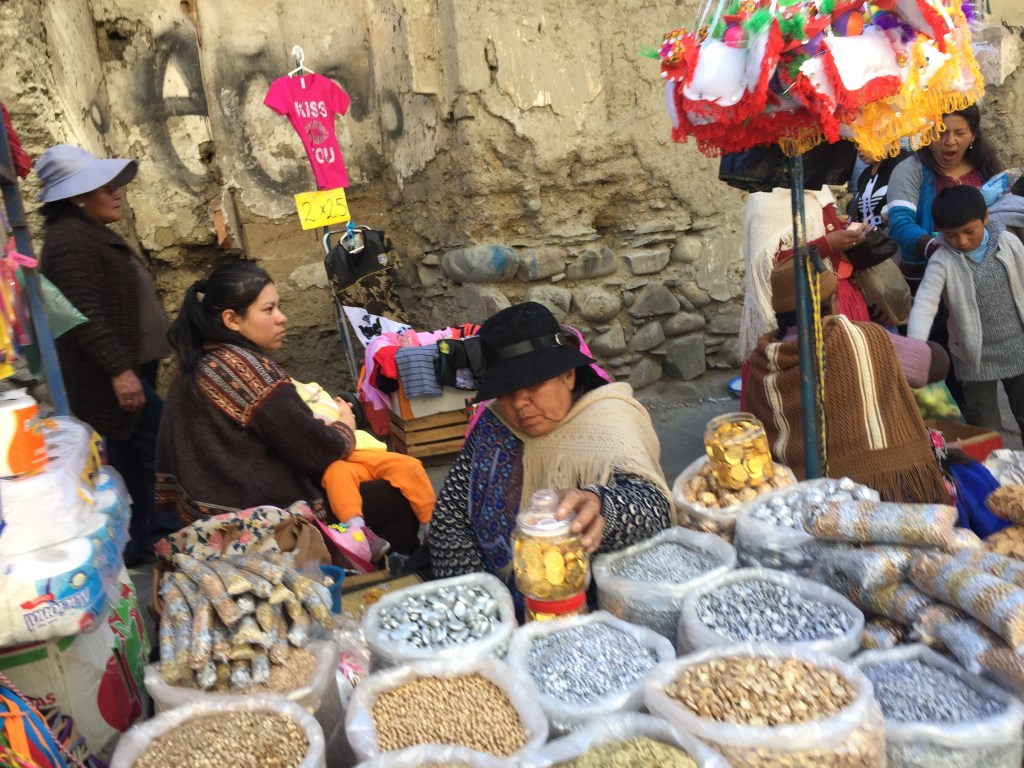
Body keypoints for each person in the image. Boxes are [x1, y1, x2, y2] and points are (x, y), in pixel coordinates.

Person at [155, 260, 422, 553]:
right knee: (395, 497)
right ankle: (387, 580)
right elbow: (317, 451)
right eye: (268, 310)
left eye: (278, 307)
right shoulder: (252, 371)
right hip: (260, 522)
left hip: (205, 518)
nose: (281, 318)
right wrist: (345, 425)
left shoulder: (192, 369)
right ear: (232, 319)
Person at [429, 302, 673, 603]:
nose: (519, 404)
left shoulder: (610, 421)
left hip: (590, 611)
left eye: (533, 385)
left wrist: (602, 505)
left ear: (568, 376)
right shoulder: (494, 424)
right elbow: (449, 518)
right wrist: (482, 602)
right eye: (506, 391)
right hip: (492, 603)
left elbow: (653, 507)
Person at [36, 144, 176, 566]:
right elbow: (84, 316)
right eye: (104, 186)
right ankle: (148, 537)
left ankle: (139, 538)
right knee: (156, 441)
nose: (116, 192)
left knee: (132, 454)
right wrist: (118, 370)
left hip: (126, 368)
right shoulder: (71, 243)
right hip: (109, 375)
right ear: (77, 197)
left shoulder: (85, 233)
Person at [746, 260, 951, 504]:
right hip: (877, 487)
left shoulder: (762, 360)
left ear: (779, 314)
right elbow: (936, 365)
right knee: (967, 472)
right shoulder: (860, 337)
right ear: (833, 301)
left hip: (794, 493)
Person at [907, 185, 1024, 438]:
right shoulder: (942, 260)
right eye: (951, 235)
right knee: (983, 425)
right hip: (973, 357)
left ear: (985, 218)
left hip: (1019, 346)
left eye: (969, 231)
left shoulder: (1009, 243)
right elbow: (926, 303)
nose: (961, 241)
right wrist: (914, 347)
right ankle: (992, 475)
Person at [888, 105, 1004, 282]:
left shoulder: (986, 171)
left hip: (985, 275)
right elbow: (900, 223)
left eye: (960, 133)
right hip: (927, 277)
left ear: (973, 135)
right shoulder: (910, 170)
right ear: (927, 134)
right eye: (941, 133)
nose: (950, 141)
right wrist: (939, 251)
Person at [850, 147, 912, 229]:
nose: (860, 149)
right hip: (868, 239)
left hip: (894, 237)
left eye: (865, 142)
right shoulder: (864, 175)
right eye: (857, 144)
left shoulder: (901, 162)